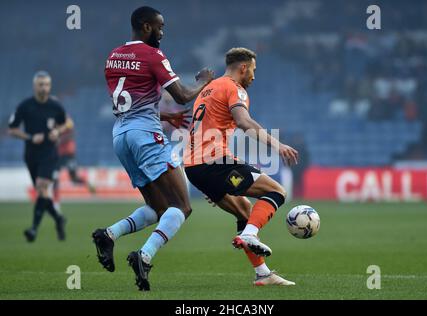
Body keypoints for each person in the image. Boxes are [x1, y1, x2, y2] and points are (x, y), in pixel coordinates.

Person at [92, 6, 214, 291]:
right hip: (145, 136)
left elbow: (129, 104)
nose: (162, 32)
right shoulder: (152, 55)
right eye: (159, 26)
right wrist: (203, 81)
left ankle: (109, 235)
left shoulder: (114, 56)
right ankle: (143, 256)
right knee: (182, 207)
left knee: (158, 208)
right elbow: (183, 95)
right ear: (145, 26)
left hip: (121, 136)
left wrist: (163, 115)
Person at [183, 48, 299, 286]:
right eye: (253, 70)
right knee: (277, 191)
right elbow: (244, 122)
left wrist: (209, 182)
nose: (254, 76)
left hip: (194, 167)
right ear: (243, 68)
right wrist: (277, 145)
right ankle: (249, 234)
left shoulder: (208, 89)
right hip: (213, 161)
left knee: (244, 211)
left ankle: (263, 274)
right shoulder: (235, 88)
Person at [8, 71, 67, 242]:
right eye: (41, 84)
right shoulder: (25, 106)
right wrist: (29, 137)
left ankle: (33, 229)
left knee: (42, 187)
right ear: (34, 86)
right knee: (43, 194)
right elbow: (12, 129)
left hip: (49, 153)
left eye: (46, 84)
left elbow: (66, 123)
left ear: (50, 86)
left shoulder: (56, 106)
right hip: (31, 154)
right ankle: (58, 218)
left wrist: (57, 131)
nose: (44, 88)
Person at [53, 115, 96, 210]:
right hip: (57, 155)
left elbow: (71, 134)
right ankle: (56, 203)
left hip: (68, 153)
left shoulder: (66, 120)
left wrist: (59, 140)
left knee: (74, 178)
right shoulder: (52, 121)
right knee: (55, 177)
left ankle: (87, 182)